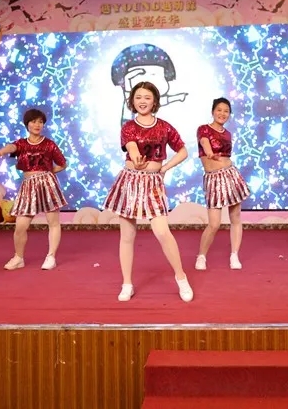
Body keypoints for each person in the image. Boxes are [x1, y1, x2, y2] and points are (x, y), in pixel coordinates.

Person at [102, 81, 193, 302]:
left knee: (162, 231)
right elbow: (132, 147)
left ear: (154, 101)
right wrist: (137, 160)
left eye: (147, 97)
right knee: (127, 236)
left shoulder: (165, 127)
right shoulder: (128, 127)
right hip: (130, 181)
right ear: (132, 100)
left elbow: (183, 151)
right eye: (138, 97)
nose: (142, 101)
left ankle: (181, 278)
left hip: (153, 183)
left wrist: (165, 168)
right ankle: (127, 284)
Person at [0, 108, 67, 270]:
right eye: (33, 121)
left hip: (47, 184)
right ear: (27, 124)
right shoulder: (22, 144)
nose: (37, 125)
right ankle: (18, 257)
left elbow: (62, 163)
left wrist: (47, 173)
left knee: (53, 222)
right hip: (28, 186)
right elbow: (12, 147)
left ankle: (51, 256)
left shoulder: (49, 144)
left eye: (40, 122)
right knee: (20, 226)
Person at [194, 98, 251, 271]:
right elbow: (204, 142)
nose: (222, 113)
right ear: (213, 111)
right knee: (214, 223)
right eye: (219, 110)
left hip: (230, 175)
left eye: (226, 111)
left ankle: (234, 255)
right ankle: (201, 256)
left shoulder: (228, 134)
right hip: (213, 179)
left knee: (235, 217)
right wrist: (210, 152)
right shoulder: (203, 129)